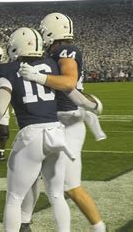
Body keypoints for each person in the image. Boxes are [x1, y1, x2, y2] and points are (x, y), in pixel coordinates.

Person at [0, 28, 72, 232]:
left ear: (16, 45)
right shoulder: (52, 64)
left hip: (32, 135)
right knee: (56, 194)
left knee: (14, 198)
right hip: (56, 132)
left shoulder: (8, 69)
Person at [18, 13, 106, 231]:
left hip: (68, 124)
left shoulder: (66, 51)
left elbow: (68, 82)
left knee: (70, 186)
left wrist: (37, 77)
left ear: (49, 31)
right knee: (30, 176)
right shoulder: (50, 53)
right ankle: (24, 223)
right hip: (50, 122)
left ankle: (99, 228)